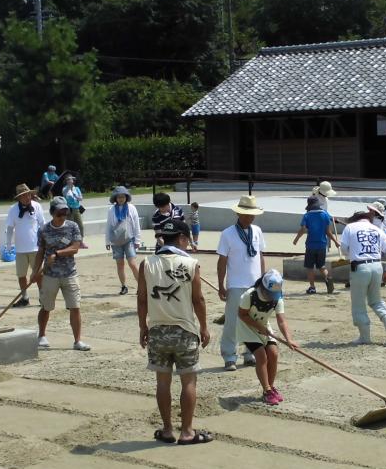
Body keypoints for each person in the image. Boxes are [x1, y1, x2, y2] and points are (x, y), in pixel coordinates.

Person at [137, 217, 212, 444]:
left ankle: (168, 429)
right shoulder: (191, 264)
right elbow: (198, 299)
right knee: (188, 381)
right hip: (184, 330)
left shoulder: (146, 264)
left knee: (162, 381)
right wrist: (204, 326)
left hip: (158, 329)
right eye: (186, 240)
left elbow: (141, 300)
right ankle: (187, 431)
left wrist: (143, 326)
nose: (188, 244)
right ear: (180, 238)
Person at [216, 195, 268, 370]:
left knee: (253, 319)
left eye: (252, 214)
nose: (250, 217)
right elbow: (222, 260)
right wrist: (221, 285)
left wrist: (263, 279)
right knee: (232, 320)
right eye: (246, 214)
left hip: (255, 284)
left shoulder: (258, 231)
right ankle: (229, 355)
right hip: (236, 284)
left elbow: (260, 256)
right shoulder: (228, 233)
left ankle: (249, 352)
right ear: (239, 214)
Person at [31, 196, 89, 351]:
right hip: (50, 275)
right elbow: (40, 252)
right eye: (59, 213)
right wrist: (35, 271)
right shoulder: (43, 229)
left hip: (70, 273)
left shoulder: (73, 226)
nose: (63, 216)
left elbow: (75, 248)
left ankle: (77, 341)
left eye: (65, 213)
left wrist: (57, 254)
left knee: (75, 307)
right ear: (52, 213)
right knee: (46, 306)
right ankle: (42, 336)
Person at [236, 269, 298, 406]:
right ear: (263, 288)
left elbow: (282, 321)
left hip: (264, 326)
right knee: (261, 356)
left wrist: (288, 339)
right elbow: (242, 315)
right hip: (247, 327)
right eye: (270, 294)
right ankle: (266, 390)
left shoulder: (278, 299)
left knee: (274, 354)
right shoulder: (249, 295)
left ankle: (271, 387)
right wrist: (258, 327)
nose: (272, 297)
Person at [339, 203, 386, 344]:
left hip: (360, 268)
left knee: (358, 303)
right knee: (376, 300)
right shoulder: (376, 229)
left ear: (355, 219)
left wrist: (352, 252)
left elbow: (344, 249)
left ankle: (365, 337)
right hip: (377, 266)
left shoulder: (350, 227)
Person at [4, 184, 46, 307]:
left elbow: (42, 223)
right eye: (23, 196)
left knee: (39, 274)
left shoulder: (37, 206)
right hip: (20, 249)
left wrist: (46, 240)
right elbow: (10, 227)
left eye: (28, 194)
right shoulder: (13, 209)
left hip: (35, 247)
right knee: (21, 275)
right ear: (19, 198)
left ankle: (42, 297)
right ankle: (25, 297)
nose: (27, 197)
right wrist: (8, 243)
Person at [293, 195, 337, 294]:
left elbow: (303, 229)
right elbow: (328, 231)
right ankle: (328, 280)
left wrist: (296, 239)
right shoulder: (325, 214)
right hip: (322, 245)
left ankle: (312, 287)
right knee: (321, 266)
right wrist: (335, 241)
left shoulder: (307, 215)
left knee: (310, 267)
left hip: (311, 245)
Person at [106, 186, 142, 296]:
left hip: (129, 239)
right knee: (120, 264)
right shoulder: (111, 210)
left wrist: (138, 240)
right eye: (118, 197)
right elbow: (108, 226)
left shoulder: (131, 208)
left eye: (123, 196)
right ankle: (123, 286)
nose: (121, 199)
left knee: (132, 263)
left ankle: (141, 286)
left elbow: (136, 224)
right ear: (115, 198)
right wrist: (107, 241)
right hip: (116, 240)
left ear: (126, 197)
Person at [61, 175, 86, 246]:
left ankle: (81, 242)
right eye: (68, 179)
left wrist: (76, 196)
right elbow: (65, 195)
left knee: (80, 226)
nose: (69, 181)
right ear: (66, 181)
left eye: (71, 179)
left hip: (77, 209)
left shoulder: (77, 188)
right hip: (69, 209)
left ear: (73, 180)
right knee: (69, 227)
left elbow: (81, 198)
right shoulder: (65, 189)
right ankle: (68, 243)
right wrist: (69, 189)